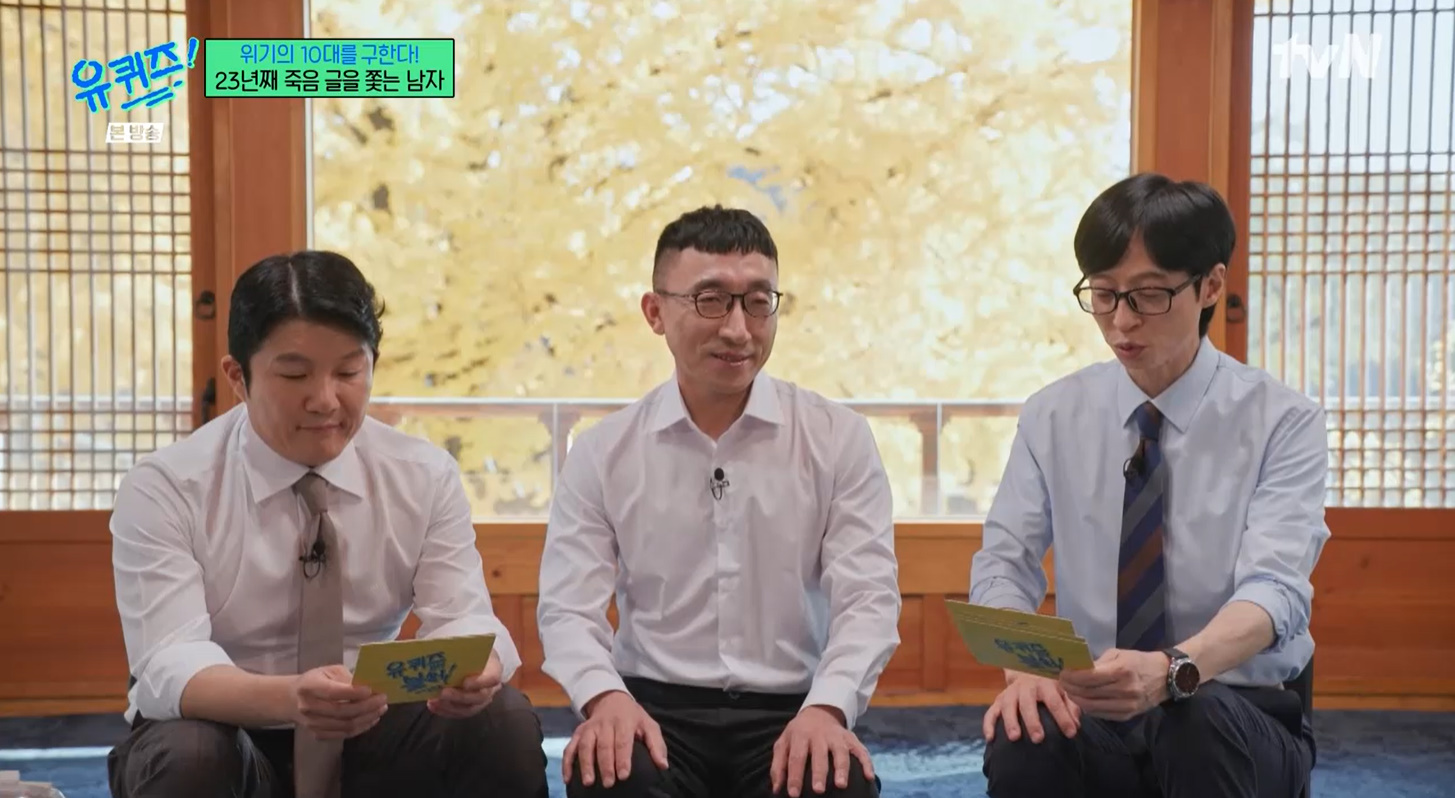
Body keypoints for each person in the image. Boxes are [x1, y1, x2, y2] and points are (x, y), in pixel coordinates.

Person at [106, 251, 549, 798]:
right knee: (189, 755)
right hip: (227, 726)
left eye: (348, 372)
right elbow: (168, 663)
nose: (324, 400)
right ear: (238, 377)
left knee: (501, 720)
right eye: (295, 374)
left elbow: (462, 616)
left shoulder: (422, 475)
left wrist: (476, 667)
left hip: (371, 724)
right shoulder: (169, 486)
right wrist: (291, 697)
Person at [968, 173, 1328, 798]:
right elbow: (1004, 561)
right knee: (1027, 732)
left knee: (1194, 718)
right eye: (1104, 294)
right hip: (1097, 709)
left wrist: (1173, 670)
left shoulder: (1282, 420)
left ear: (1209, 285)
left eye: (1149, 295)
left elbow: (1276, 591)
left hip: (1236, 710)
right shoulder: (1053, 415)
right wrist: (1025, 668)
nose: (1121, 322)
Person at [536, 206, 901, 798]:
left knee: (836, 785)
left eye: (757, 302)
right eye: (710, 300)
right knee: (608, 776)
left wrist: (828, 708)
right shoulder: (604, 451)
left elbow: (868, 597)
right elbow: (567, 609)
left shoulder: (838, 438)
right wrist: (605, 700)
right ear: (655, 312)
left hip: (793, 706)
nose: (737, 329)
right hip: (650, 708)